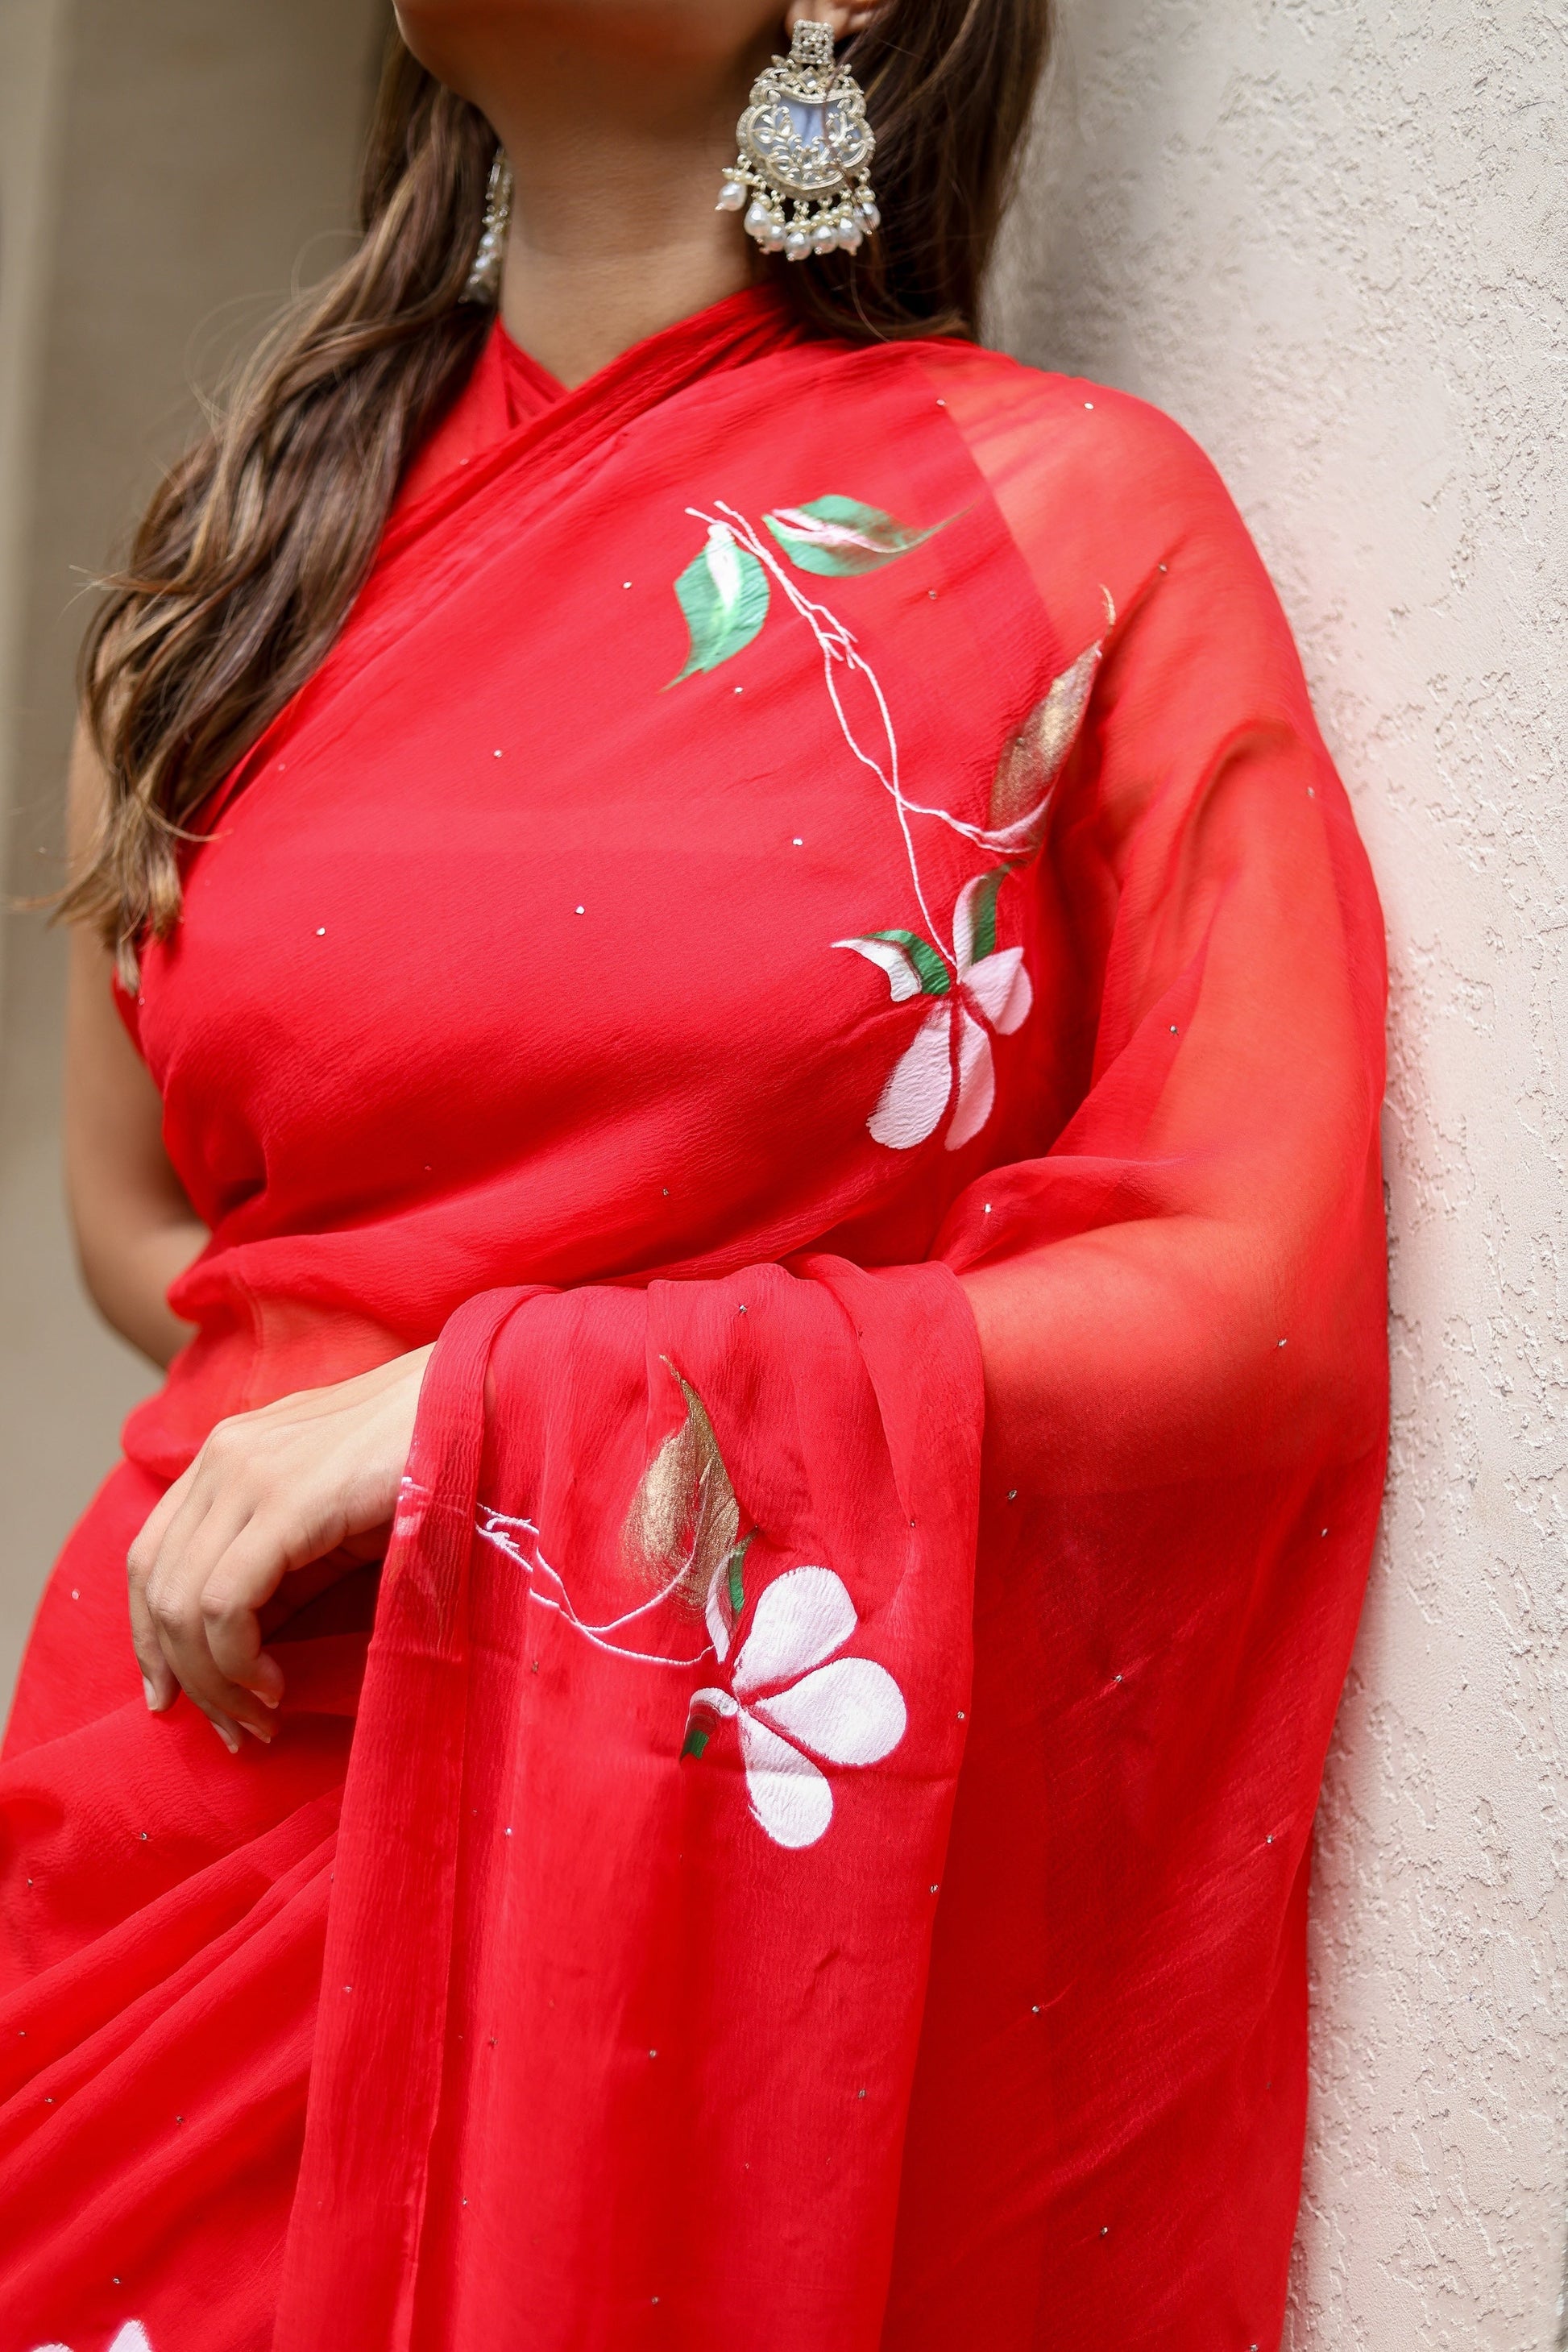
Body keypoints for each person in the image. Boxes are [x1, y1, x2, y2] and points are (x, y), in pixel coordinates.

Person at [0, 1, 1388, 2345]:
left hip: (672, 1827)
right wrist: (375, 1396)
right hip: (190, 1794)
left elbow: (1240, 1293)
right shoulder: (234, 556)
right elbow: (146, 1229)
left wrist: (485, 1413)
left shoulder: (1063, 532)